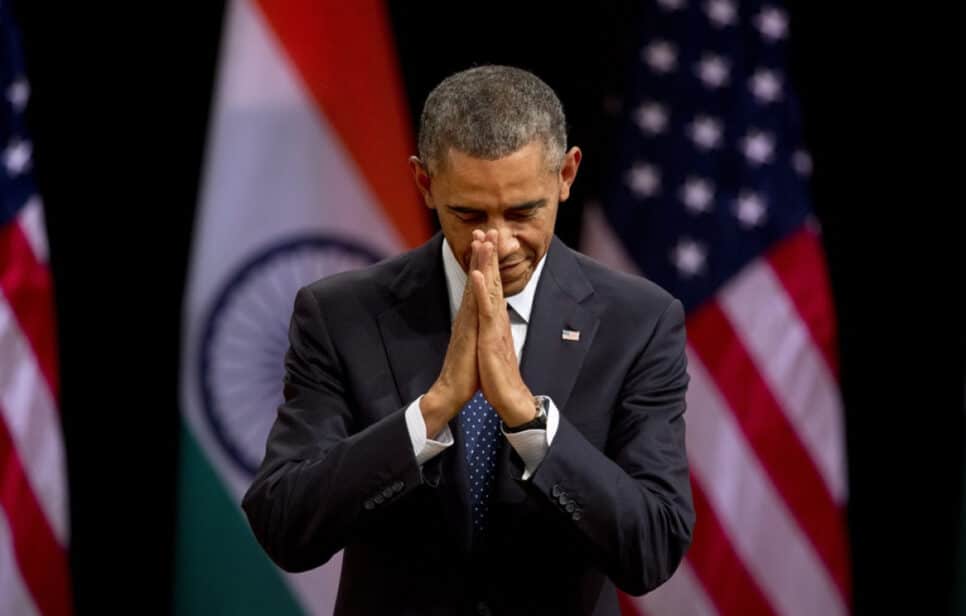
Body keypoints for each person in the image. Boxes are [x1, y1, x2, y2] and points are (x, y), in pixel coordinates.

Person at [242, 65, 694, 615]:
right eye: (470, 214)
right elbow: (285, 524)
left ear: (566, 175)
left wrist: (528, 418)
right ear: (425, 184)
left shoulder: (639, 323)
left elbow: (652, 547)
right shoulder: (340, 315)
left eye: (524, 211)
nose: (500, 243)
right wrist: (429, 413)